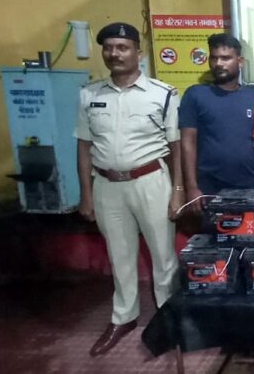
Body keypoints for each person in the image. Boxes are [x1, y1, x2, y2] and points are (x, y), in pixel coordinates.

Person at [76, 22, 182, 356]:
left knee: (164, 257)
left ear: (138, 52)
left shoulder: (162, 93)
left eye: (122, 47)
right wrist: (86, 193)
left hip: (151, 182)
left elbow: (176, 146)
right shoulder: (90, 95)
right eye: (108, 48)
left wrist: (177, 190)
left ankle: (167, 319)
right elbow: (83, 147)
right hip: (108, 186)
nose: (114, 53)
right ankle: (123, 317)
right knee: (119, 256)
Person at [179, 33, 254, 215]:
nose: (218, 63)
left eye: (226, 58)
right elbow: (187, 143)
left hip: (248, 186)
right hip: (208, 188)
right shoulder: (195, 95)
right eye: (214, 58)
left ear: (240, 61)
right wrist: (191, 187)